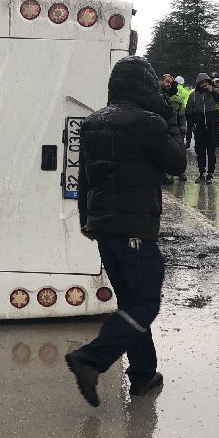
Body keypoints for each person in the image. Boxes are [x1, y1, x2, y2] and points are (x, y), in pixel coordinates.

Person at [65, 56, 187, 406]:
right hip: (135, 227)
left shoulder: (93, 123)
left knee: (131, 303)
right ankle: (90, 359)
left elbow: (84, 176)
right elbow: (176, 162)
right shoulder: (147, 122)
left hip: (105, 228)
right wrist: (172, 124)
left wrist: (87, 219)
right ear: (145, 84)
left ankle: (144, 374)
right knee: (145, 304)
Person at [185, 73, 219, 182]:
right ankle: (201, 172)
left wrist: (212, 90)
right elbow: (188, 112)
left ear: (209, 83)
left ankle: (210, 173)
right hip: (199, 127)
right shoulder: (193, 95)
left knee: (211, 150)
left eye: (206, 82)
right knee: (200, 150)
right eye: (202, 83)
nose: (204, 84)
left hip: (212, 126)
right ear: (198, 84)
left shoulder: (214, 92)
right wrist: (191, 125)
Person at [161, 73, 189, 183]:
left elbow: (181, 113)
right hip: (164, 126)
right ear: (162, 81)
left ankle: (180, 172)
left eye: (171, 83)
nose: (169, 84)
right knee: (167, 151)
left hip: (175, 125)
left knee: (179, 149)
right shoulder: (158, 94)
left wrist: (183, 127)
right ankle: (168, 173)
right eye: (167, 82)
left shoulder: (177, 96)